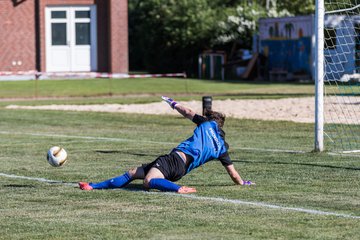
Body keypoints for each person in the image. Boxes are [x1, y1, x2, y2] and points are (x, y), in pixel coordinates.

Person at [79, 96, 254, 194]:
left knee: (148, 182)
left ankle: (178, 189)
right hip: (180, 170)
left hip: (173, 160)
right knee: (133, 173)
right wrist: (242, 183)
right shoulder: (222, 148)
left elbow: (187, 112)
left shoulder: (206, 124)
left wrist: (172, 103)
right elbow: (233, 173)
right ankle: (93, 186)